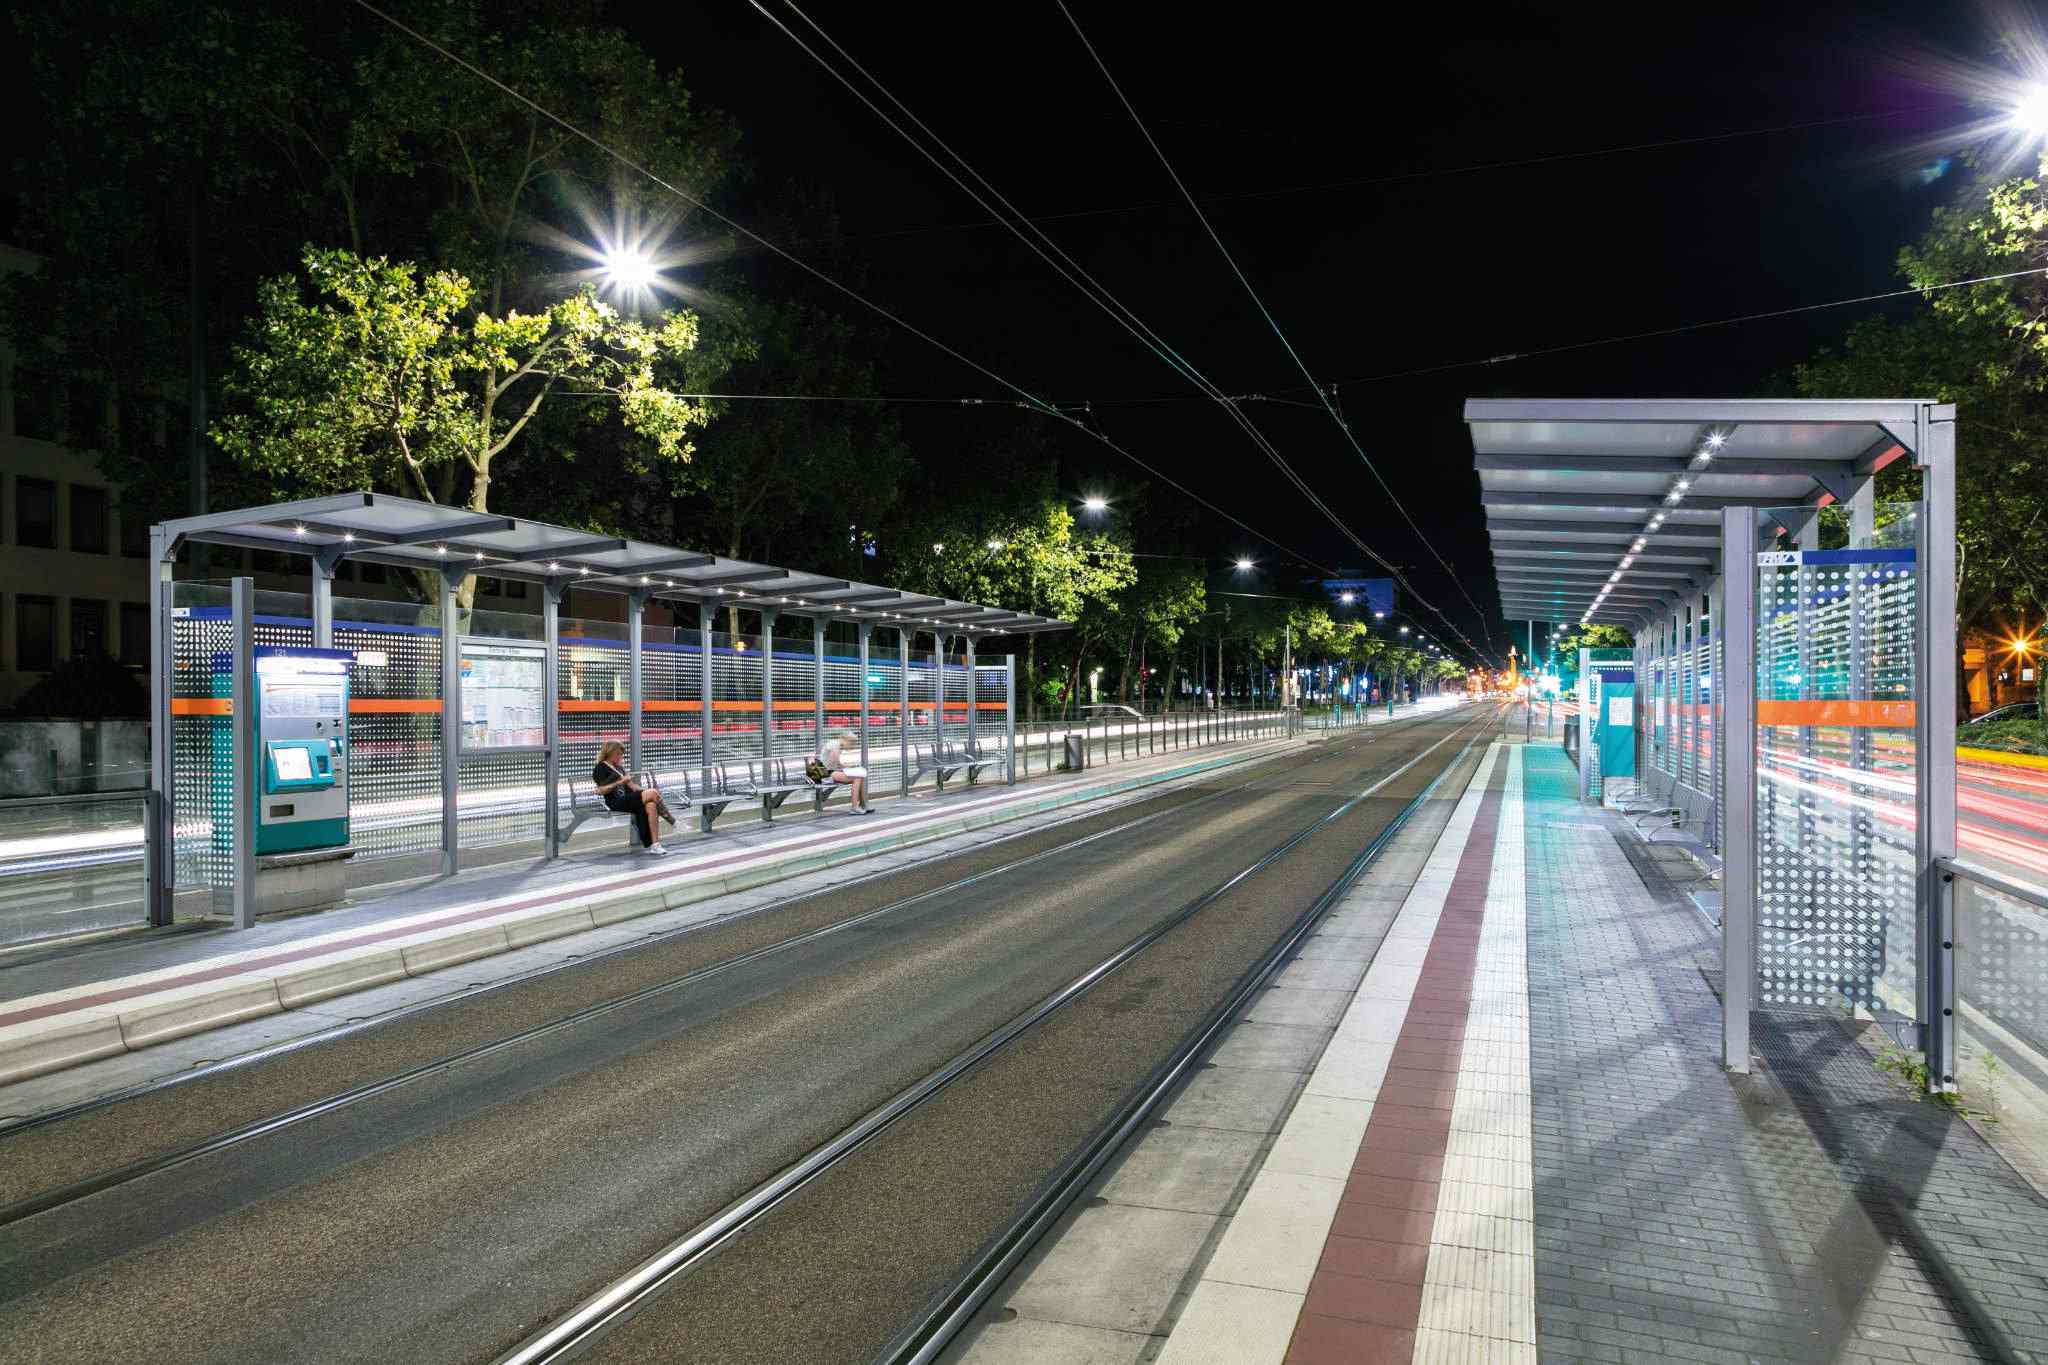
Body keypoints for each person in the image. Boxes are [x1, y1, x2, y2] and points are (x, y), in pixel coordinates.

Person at [592, 740, 666, 854]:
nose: (620, 757)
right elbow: (600, 790)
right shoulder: (600, 768)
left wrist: (646, 791)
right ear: (609, 752)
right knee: (651, 796)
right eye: (618, 754)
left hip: (628, 799)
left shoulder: (619, 768)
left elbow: (632, 786)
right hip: (615, 801)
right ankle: (673, 822)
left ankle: (654, 844)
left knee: (651, 805)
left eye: (621, 754)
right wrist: (620, 782)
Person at [822, 729, 874, 814]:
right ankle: (855, 807)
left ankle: (863, 805)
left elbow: (835, 763)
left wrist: (845, 768)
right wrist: (845, 769)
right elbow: (833, 762)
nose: (852, 745)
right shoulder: (835, 745)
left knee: (861, 777)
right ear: (845, 739)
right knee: (857, 778)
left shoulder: (836, 744)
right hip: (826, 773)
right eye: (851, 743)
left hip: (830, 771)